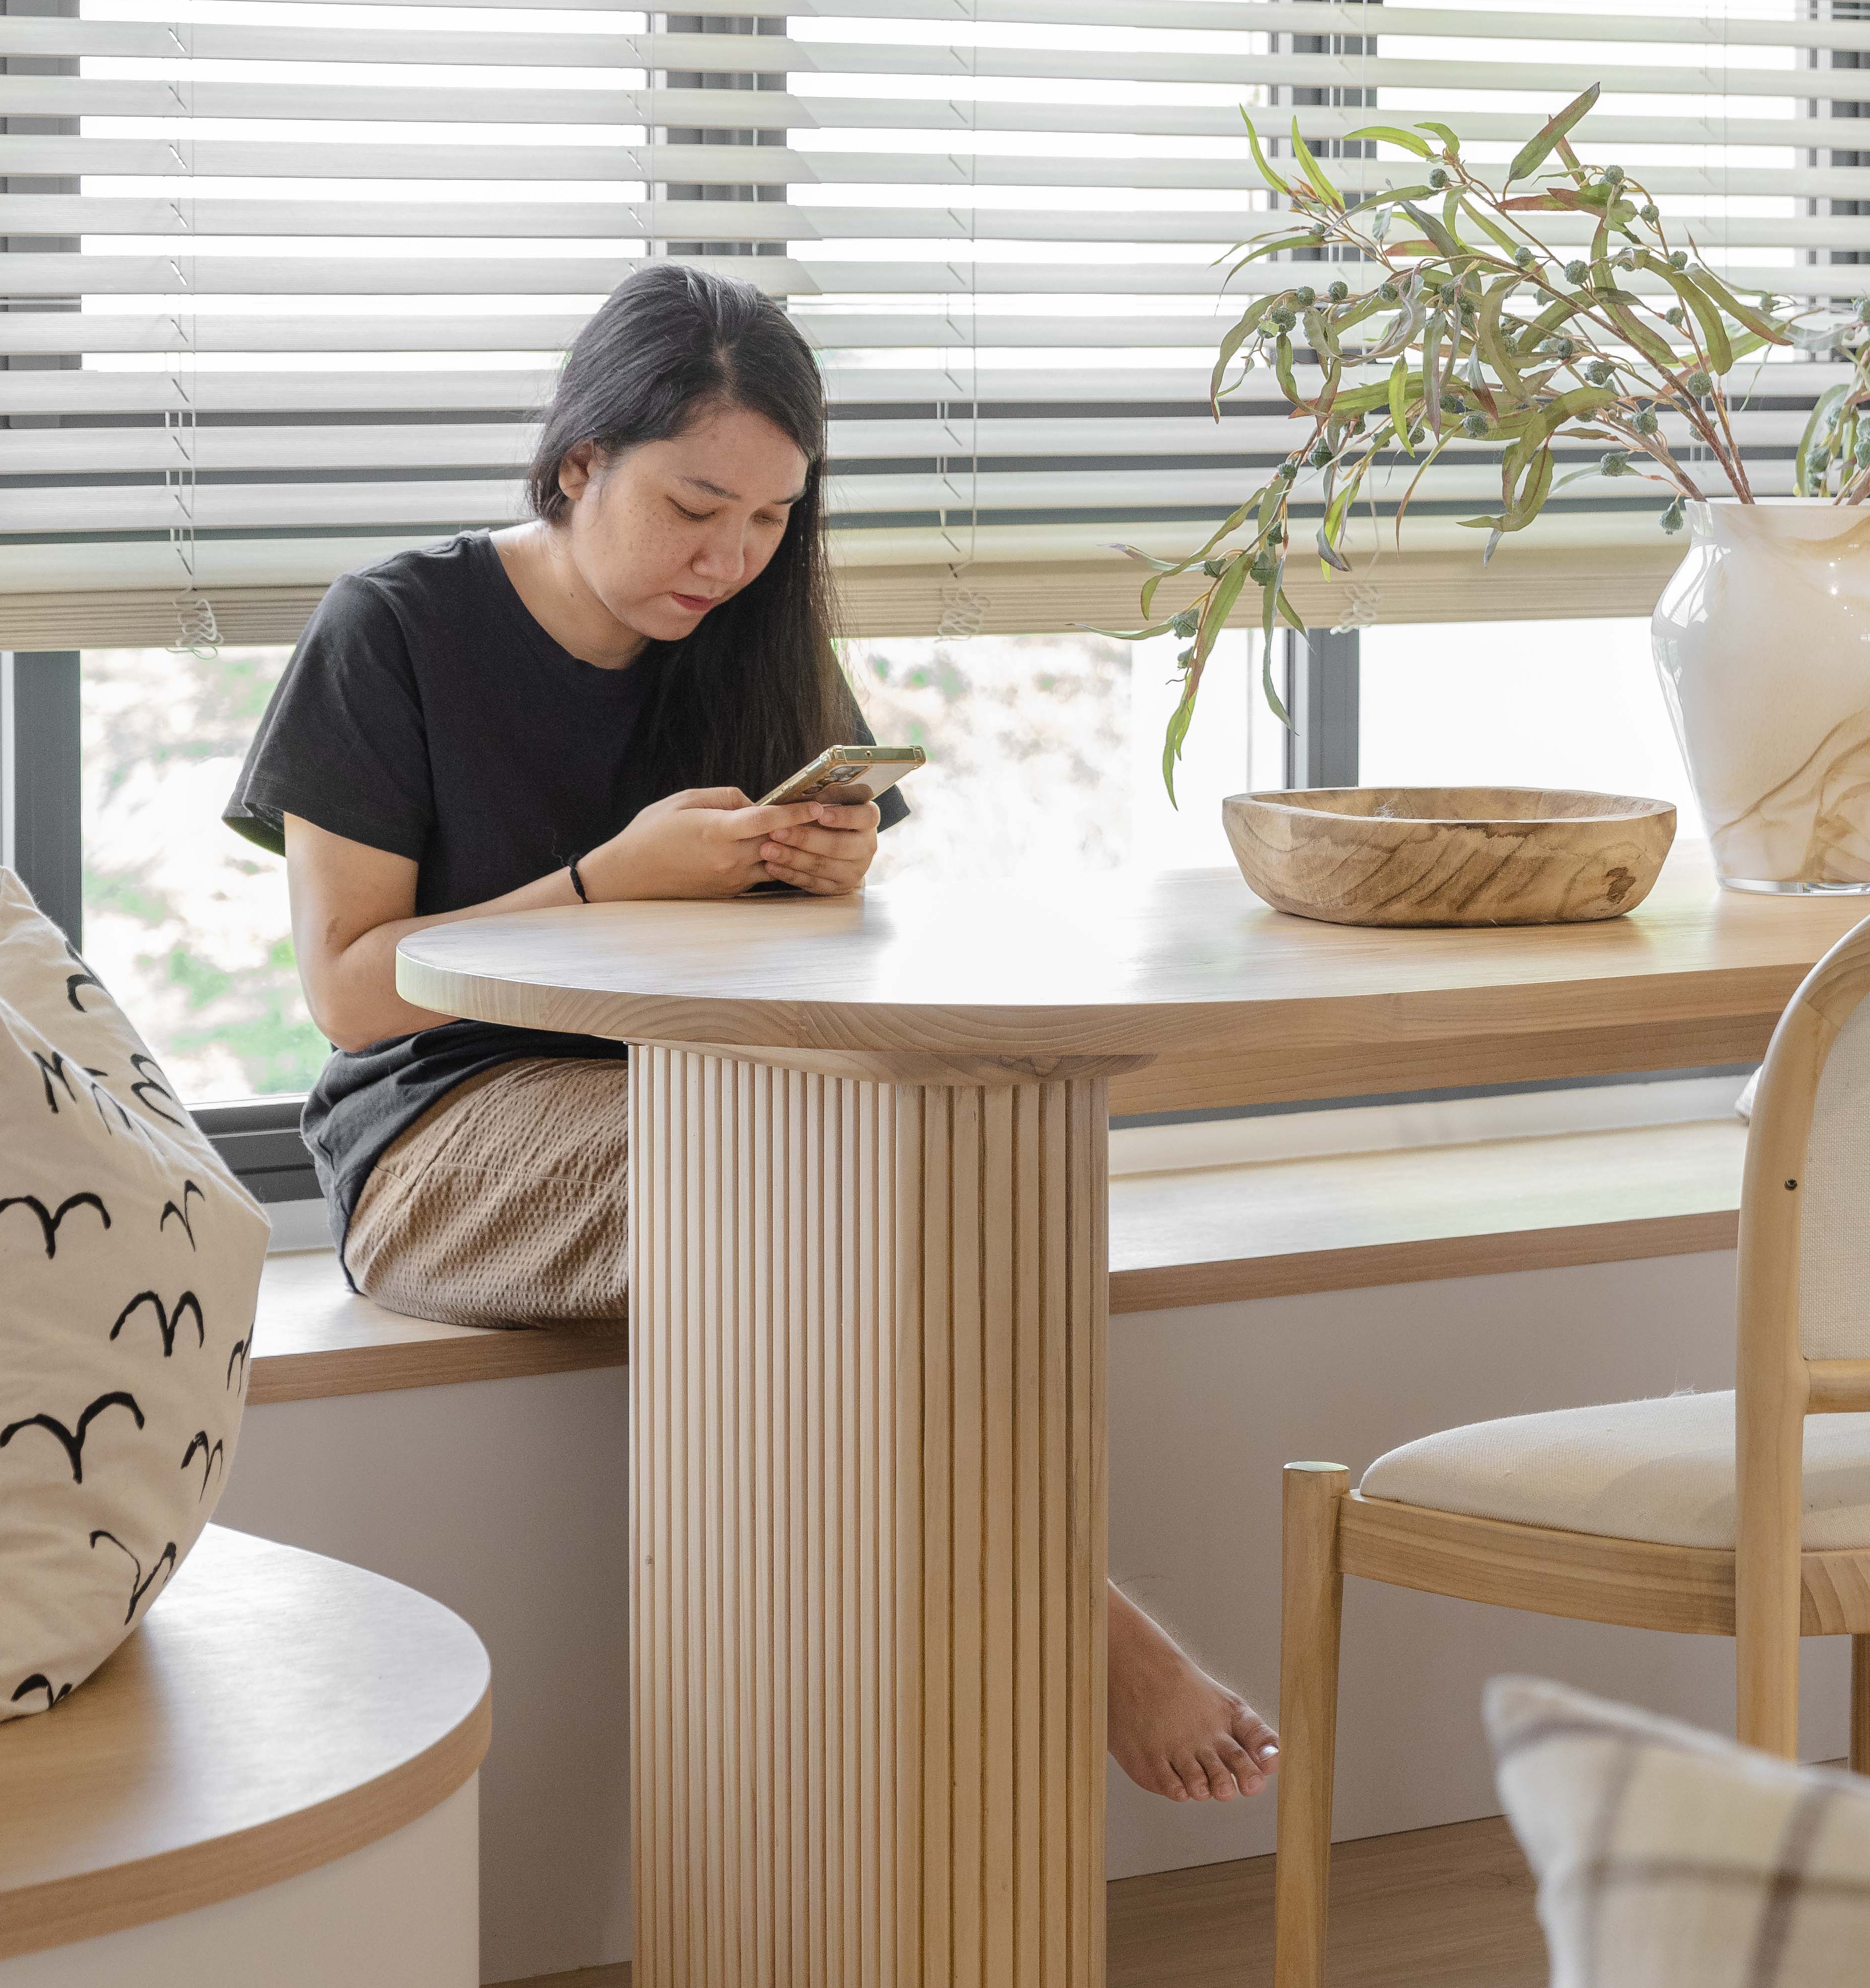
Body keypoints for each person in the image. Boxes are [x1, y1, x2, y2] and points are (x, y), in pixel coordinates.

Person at [226, 263, 1280, 1806]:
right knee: (840, 1193)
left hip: (713, 1094)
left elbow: (818, 967)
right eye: (692, 507)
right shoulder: (396, 627)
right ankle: (1087, 1620)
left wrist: (829, 881)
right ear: (578, 462)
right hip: (448, 1139)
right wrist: (601, 882)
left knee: (951, 1167)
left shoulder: (753, 636)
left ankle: (922, 1745)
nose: (728, 557)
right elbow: (348, 991)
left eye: (772, 520)